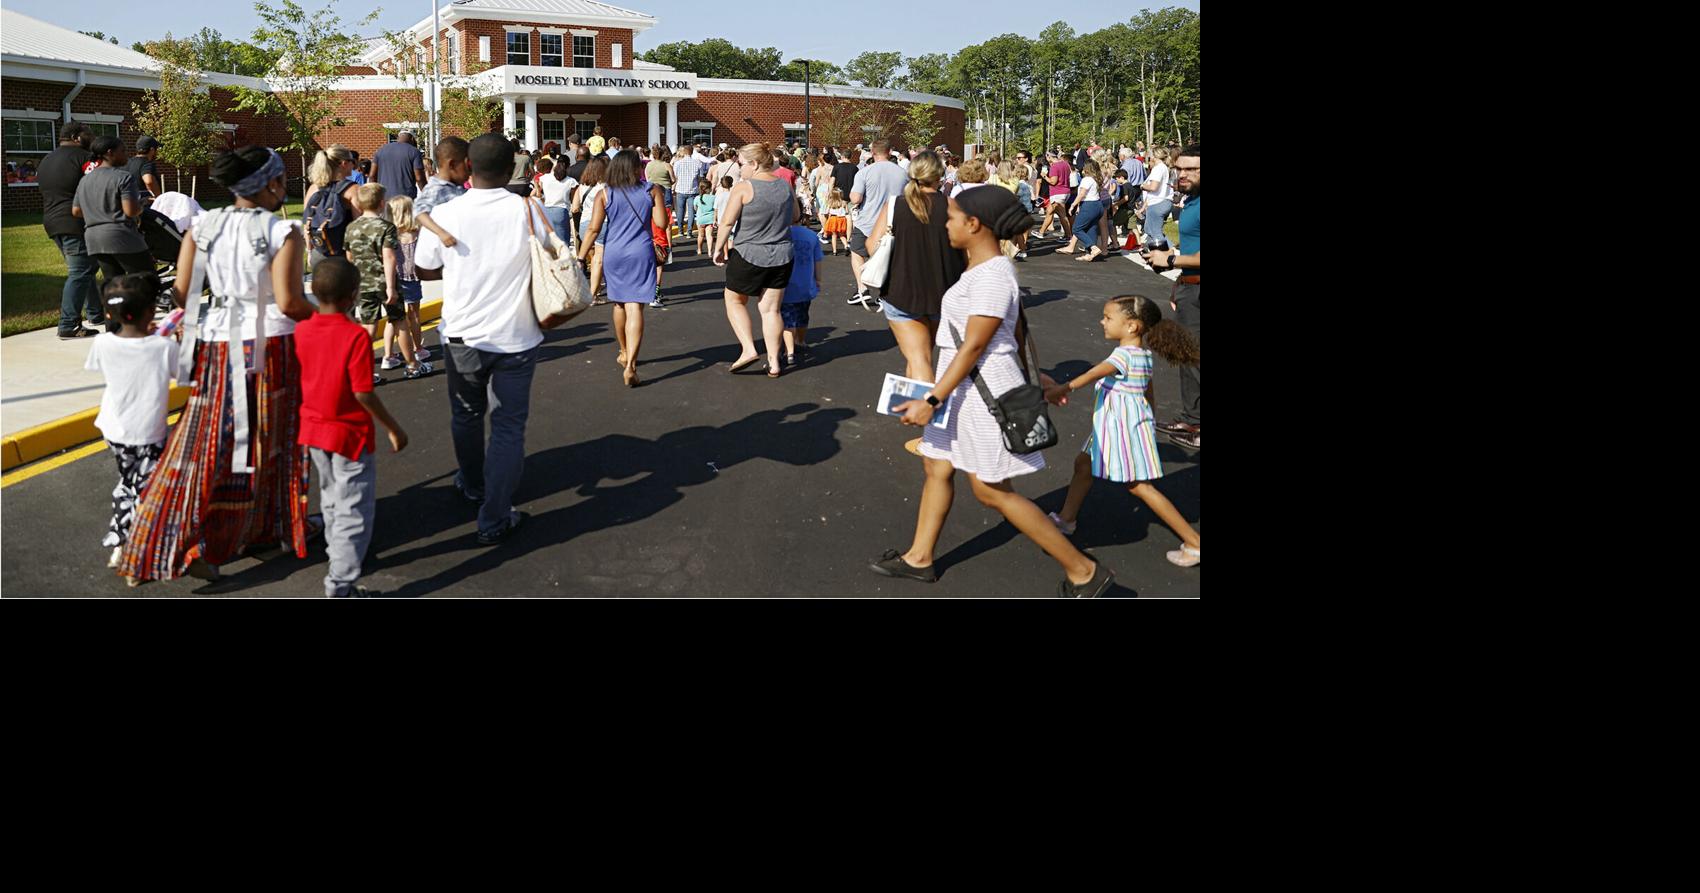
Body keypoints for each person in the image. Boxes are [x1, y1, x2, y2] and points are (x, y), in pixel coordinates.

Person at [870, 185, 1114, 598]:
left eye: (950, 217)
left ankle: (1084, 570)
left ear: (974, 223)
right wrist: (1039, 376)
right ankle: (919, 558)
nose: (945, 223)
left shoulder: (992, 276)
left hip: (981, 395)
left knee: (990, 490)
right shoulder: (980, 269)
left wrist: (932, 400)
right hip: (963, 387)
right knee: (937, 465)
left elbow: (975, 346)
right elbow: (1015, 331)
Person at [118, 145, 317, 584]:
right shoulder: (283, 231)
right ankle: (261, 527)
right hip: (269, 347)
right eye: (281, 179)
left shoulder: (203, 226)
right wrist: (327, 317)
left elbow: (183, 291)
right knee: (266, 445)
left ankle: (161, 539)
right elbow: (288, 301)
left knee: (205, 444)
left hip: (216, 345)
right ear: (270, 184)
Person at [414, 133, 555, 545]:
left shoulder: (449, 211)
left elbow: (424, 267)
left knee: (466, 416)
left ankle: (473, 485)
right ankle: (493, 516)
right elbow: (552, 254)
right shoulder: (529, 209)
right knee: (509, 427)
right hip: (516, 336)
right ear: (512, 167)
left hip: (462, 334)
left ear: (468, 167)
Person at [1043, 295, 1201, 567]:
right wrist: (1149, 419)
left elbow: (1095, 373)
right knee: (1083, 464)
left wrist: (1063, 388)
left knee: (1139, 487)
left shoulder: (1123, 355)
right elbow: (1147, 391)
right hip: (1114, 426)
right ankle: (1066, 519)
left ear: (1131, 327)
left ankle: (1195, 543)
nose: (1102, 321)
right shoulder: (1142, 355)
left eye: (1108, 317)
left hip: (1121, 428)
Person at [292, 257, 410, 597]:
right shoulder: (355, 336)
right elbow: (362, 393)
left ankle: (338, 553)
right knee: (354, 507)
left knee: (331, 497)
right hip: (348, 435)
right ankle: (340, 583)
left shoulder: (302, 330)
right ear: (353, 297)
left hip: (313, 430)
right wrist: (393, 427)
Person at [85, 273, 176, 581]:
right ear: (152, 311)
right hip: (147, 431)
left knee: (129, 482)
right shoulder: (163, 347)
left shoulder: (101, 343)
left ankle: (122, 543)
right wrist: (171, 339)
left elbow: (115, 357)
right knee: (147, 491)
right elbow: (187, 373)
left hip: (113, 429)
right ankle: (130, 550)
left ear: (108, 314)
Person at [866, 151, 963, 389]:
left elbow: (871, 245)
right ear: (940, 175)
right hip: (943, 291)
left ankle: (927, 413)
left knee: (919, 360)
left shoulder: (895, 205)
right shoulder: (952, 206)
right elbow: (966, 249)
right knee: (922, 357)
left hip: (901, 292)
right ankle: (911, 407)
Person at [713, 142, 795, 378]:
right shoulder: (784, 185)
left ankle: (748, 348)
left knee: (734, 300)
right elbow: (796, 216)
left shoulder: (744, 188)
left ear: (755, 164)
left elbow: (727, 222)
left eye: (741, 164)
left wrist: (719, 248)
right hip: (781, 254)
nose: (739, 169)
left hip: (749, 253)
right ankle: (774, 362)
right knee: (771, 310)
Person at [346, 182, 429, 381]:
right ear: (382, 203)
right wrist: (391, 287)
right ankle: (412, 364)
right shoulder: (386, 227)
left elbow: (349, 256)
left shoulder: (352, 227)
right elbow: (389, 257)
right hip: (385, 282)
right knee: (399, 320)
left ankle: (364, 372)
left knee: (369, 325)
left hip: (363, 283)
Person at [1146, 144, 1200, 450]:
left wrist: (1171, 261)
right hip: (1190, 286)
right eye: (1181, 168)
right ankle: (1192, 420)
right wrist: (1179, 280)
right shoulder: (1191, 201)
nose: (1184, 174)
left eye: (1193, 169)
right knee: (1188, 356)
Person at [42, 122, 106, 339]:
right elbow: (98, 183)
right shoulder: (84, 158)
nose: (92, 137)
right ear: (77, 137)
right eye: (89, 134)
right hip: (74, 221)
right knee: (79, 272)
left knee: (85, 269)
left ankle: (96, 314)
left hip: (52, 222)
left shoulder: (47, 159)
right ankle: (69, 324)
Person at [73, 135, 156, 293]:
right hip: (122, 237)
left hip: (94, 240)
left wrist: (99, 210)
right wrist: (143, 203)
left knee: (113, 286)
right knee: (147, 282)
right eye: (123, 151)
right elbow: (130, 210)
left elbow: (76, 211)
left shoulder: (85, 180)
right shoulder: (123, 177)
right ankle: (142, 314)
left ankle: (115, 316)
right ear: (110, 153)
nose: (126, 154)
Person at [847, 140, 909, 308]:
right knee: (889, 257)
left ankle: (863, 290)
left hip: (867, 221)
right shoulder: (902, 173)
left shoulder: (864, 172)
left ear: (872, 153)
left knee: (857, 253)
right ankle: (885, 292)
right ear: (890, 152)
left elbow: (856, 198)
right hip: (892, 222)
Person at [385, 195, 430, 370]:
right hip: (411, 278)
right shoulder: (416, 233)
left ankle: (388, 355)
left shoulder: (389, 234)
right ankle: (418, 348)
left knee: (393, 318)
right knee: (414, 315)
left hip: (393, 279)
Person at [781, 200, 824, 369]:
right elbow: (818, 260)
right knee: (803, 316)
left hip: (786, 285)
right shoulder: (811, 235)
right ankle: (801, 340)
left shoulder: (781, 234)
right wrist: (818, 279)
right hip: (806, 285)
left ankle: (789, 351)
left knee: (787, 319)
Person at [303, 144, 359, 265]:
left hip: (319, 252)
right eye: (352, 161)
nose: (353, 165)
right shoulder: (353, 189)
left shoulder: (313, 188)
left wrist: (309, 251)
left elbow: (307, 223)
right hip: (344, 255)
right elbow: (358, 226)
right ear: (343, 163)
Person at [571, 156, 609, 302]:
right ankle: (593, 294)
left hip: (584, 224)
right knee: (598, 259)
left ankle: (594, 289)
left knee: (592, 258)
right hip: (602, 224)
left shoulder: (582, 186)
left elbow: (574, 208)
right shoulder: (606, 187)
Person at [1059, 159, 1105, 260]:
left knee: (1076, 228)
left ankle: (1093, 248)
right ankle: (1090, 254)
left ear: (1087, 168)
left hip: (1089, 205)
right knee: (1091, 228)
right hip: (1097, 205)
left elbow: (1082, 194)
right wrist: (1080, 206)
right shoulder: (1095, 179)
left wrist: (1073, 205)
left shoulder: (1087, 179)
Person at [372, 129, 427, 200]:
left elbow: (372, 176)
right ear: (412, 139)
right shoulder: (414, 152)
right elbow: (419, 178)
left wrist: (375, 196)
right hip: (405, 199)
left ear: (398, 138)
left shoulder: (380, 150)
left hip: (384, 198)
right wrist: (427, 194)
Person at [534, 156, 576, 246]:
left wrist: (538, 192)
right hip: (562, 211)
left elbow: (536, 180)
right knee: (563, 243)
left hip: (547, 211)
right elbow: (573, 198)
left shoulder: (545, 178)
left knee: (549, 242)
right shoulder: (571, 181)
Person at [1139, 146, 1173, 248]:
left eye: (1150, 155)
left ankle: (1169, 252)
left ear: (1154, 156)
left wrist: (1143, 186)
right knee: (1149, 229)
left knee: (1155, 232)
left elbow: (1153, 187)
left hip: (1157, 203)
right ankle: (1165, 249)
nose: (1149, 157)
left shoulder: (1158, 168)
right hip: (1163, 201)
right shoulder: (1164, 168)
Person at [671, 142, 706, 241]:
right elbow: (701, 177)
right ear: (691, 152)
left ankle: (680, 230)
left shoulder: (677, 163)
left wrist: (673, 188)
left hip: (680, 189)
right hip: (693, 190)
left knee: (680, 210)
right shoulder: (697, 163)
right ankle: (689, 232)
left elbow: (675, 177)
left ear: (684, 152)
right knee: (691, 211)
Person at [1034, 150, 1072, 240]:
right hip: (1065, 191)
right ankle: (1041, 232)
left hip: (1058, 193)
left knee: (1062, 216)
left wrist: (1044, 176)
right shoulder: (1065, 164)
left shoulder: (1055, 167)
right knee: (1049, 211)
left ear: (1049, 157)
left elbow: (1053, 181)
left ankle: (1069, 236)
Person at [124, 135, 163, 200]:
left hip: (128, 203)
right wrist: (158, 198)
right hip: (143, 204)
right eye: (156, 149)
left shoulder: (127, 162)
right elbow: (148, 181)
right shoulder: (146, 163)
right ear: (152, 150)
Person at [646, 144, 675, 214]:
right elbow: (673, 180)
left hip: (652, 190)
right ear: (662, 154)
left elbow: (647, 179)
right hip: (666, 190)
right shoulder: (667, 165)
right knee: (667, 212)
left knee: (653, 211)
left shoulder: (648, 164)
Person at [822, 187, 850, 254]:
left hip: (833, 219)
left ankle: (834, 251)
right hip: (841, 219)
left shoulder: (830, 202)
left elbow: (826, 212)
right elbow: (847, 212)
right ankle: (846, 246)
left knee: (833, 235)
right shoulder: (843, 202)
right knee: (842, 235)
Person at [693, 177, 717, 255]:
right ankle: (710, 251)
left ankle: (699, 249)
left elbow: (695, 208)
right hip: (710, 218)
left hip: (700, 219)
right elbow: (715, 208)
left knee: (700, 235)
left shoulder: (697, 198)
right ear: (709, 188)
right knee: (709, 235)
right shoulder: (713, 198)